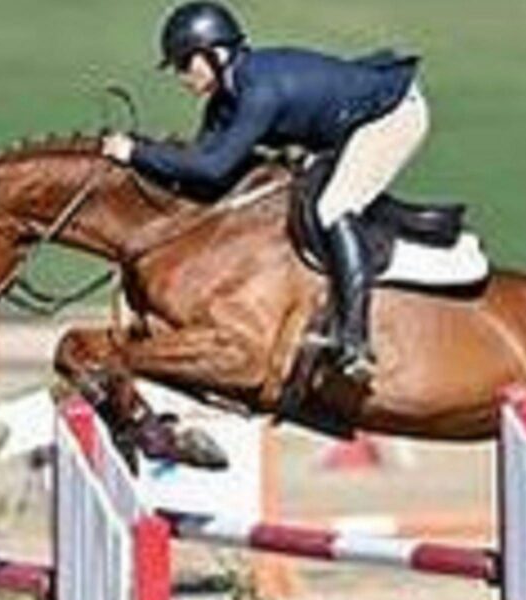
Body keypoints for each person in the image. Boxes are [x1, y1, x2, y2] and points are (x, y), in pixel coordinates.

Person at [102, 1, 429, 383]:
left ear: (214, 53)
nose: (180, 75)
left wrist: (135, 153)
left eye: (183, 63)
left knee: (334, 207)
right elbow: (200, 165)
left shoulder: (260, 90)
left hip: (392, 113)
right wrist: (145, 160)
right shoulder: (226, 99)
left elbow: (214, 167)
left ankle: (354, 341)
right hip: (343, 121)